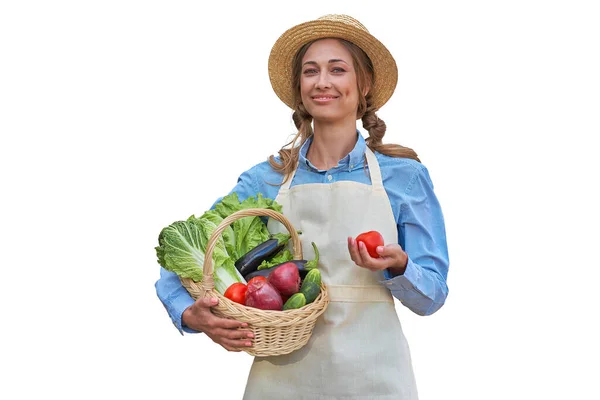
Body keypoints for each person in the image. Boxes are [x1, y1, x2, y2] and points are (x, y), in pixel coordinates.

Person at [155, 14, 449, 399]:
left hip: (375, 379)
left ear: (365, 85)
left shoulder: (404, 178)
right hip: (281, 382)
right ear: (299, 87)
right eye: (311, 71)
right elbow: (190, 246)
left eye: (337, 69)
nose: (322, 81)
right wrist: (188, 313)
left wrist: (399, 265)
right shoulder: (266, 179)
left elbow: (433, 295)